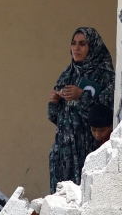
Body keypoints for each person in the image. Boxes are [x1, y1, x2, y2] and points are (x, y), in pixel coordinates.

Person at [48, 27, 115, 192]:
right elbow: (54, 117)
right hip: (63, 150)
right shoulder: (68, 74)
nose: (76, 48)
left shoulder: (105, 75)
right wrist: (54, 102)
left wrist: (82, 96)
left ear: (93, 47)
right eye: (73, 43)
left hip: (88, 147)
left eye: (82, 44)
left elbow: (107, 113)